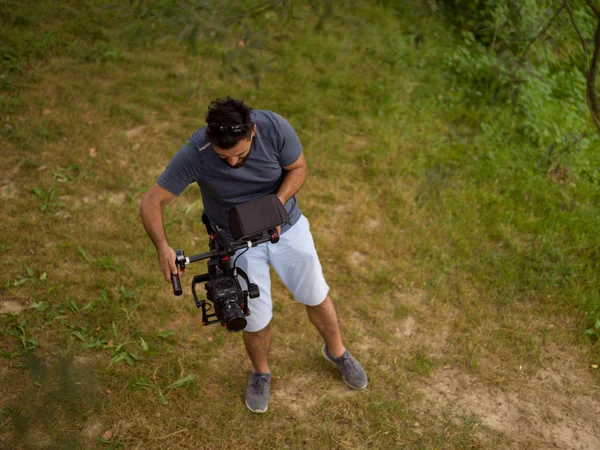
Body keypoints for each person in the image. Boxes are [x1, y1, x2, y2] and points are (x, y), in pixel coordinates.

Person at [139, 97, 367, 413]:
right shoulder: (197, 152)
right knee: (253, 319)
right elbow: (151, 201)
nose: (233, 163)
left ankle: (338, 352)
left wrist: (275, 205)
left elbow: (298, 167)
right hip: (235, 244)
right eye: (225, 158)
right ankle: (261, 372)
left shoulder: (274, 127)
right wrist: (162, 247)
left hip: (287, 229)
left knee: (315, 296)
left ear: (253, 131)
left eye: (241, 155)